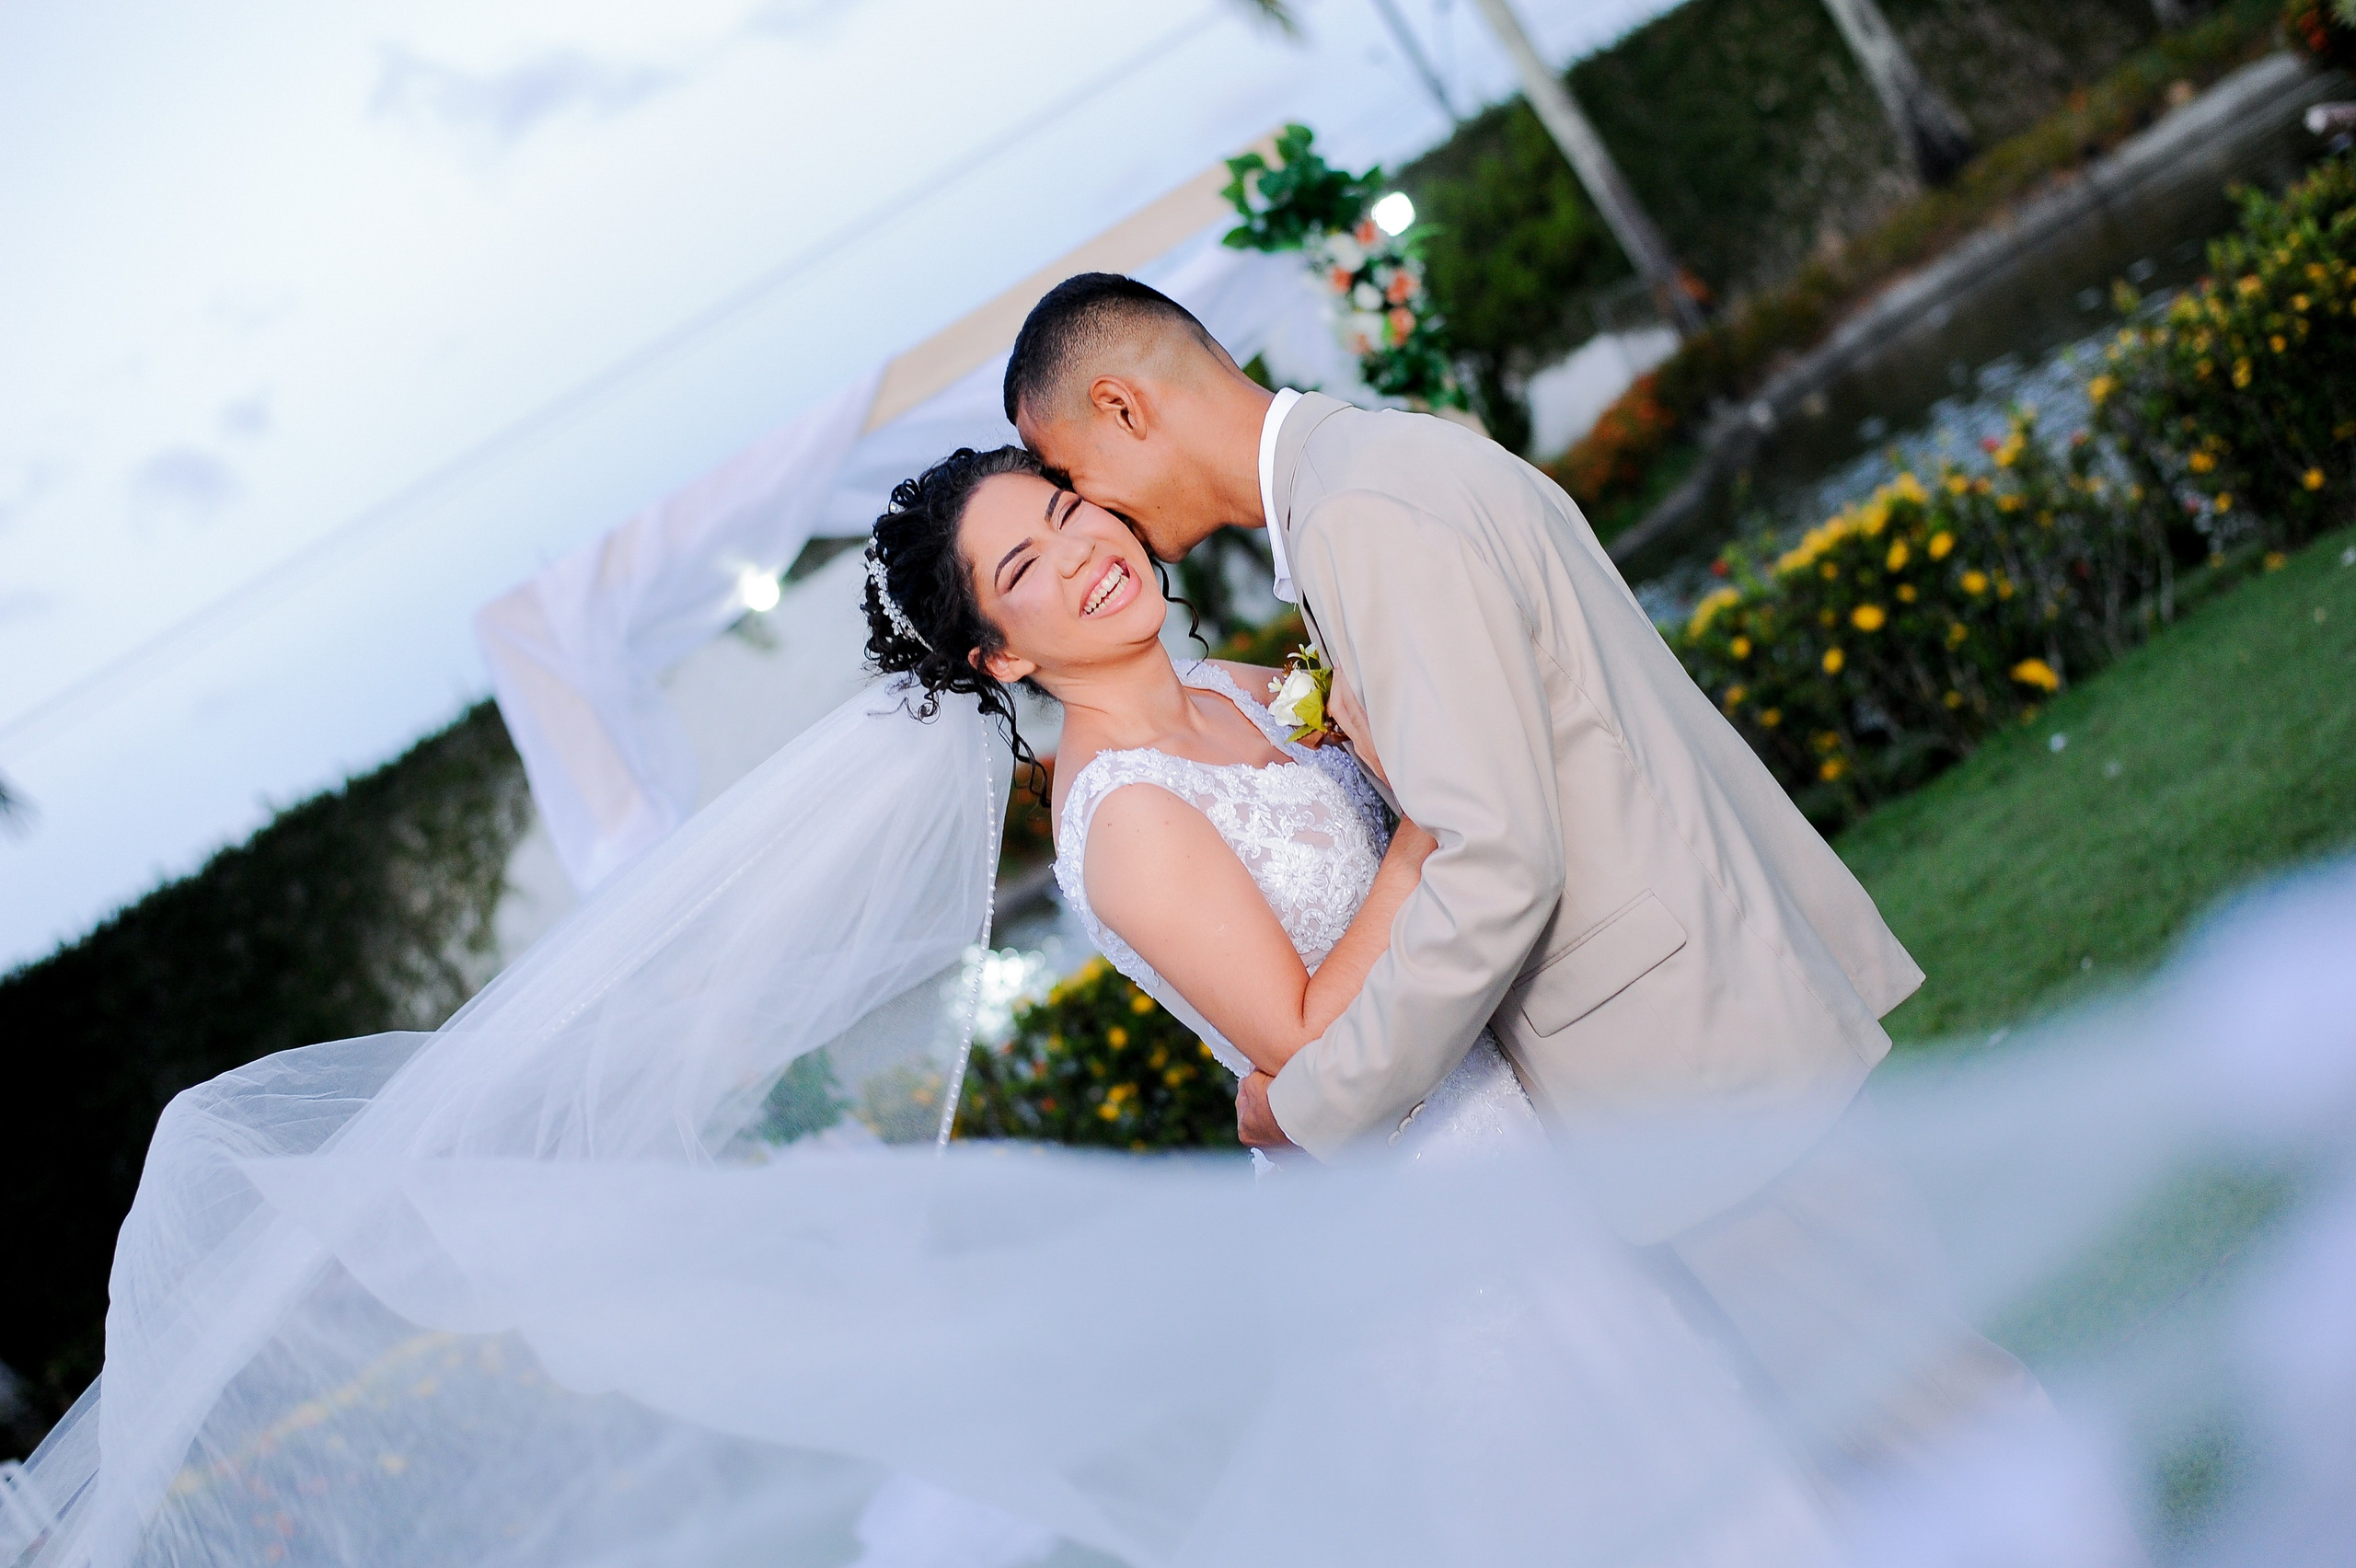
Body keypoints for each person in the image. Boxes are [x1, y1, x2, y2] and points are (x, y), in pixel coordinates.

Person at [1001, 271, 2050, 1488]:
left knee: (1933, 1425)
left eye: (1072, 482)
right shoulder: (1387, 463)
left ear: (1127, 408)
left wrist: (1313, 1103)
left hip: (1686, 1065)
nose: (1091, 518)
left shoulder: (1361, 521)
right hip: (1707, 1019)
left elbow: (1495, 857)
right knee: (1906, 1422)